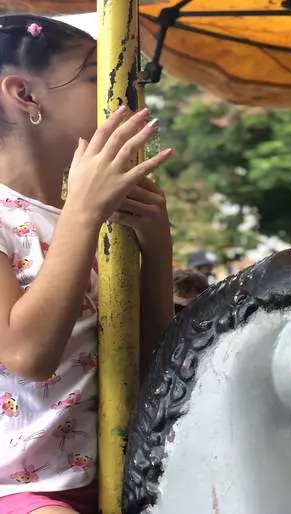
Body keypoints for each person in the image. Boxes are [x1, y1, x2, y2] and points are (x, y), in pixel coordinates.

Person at [0, 15, 174, 514]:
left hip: (122, 470)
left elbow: (150, 358)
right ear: (25, 95)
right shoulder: (37, 216)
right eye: (97, 77)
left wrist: (156, 244)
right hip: (21, 487)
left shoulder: (91, 214)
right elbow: (28, 356)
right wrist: (82, 210)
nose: (121, 98)